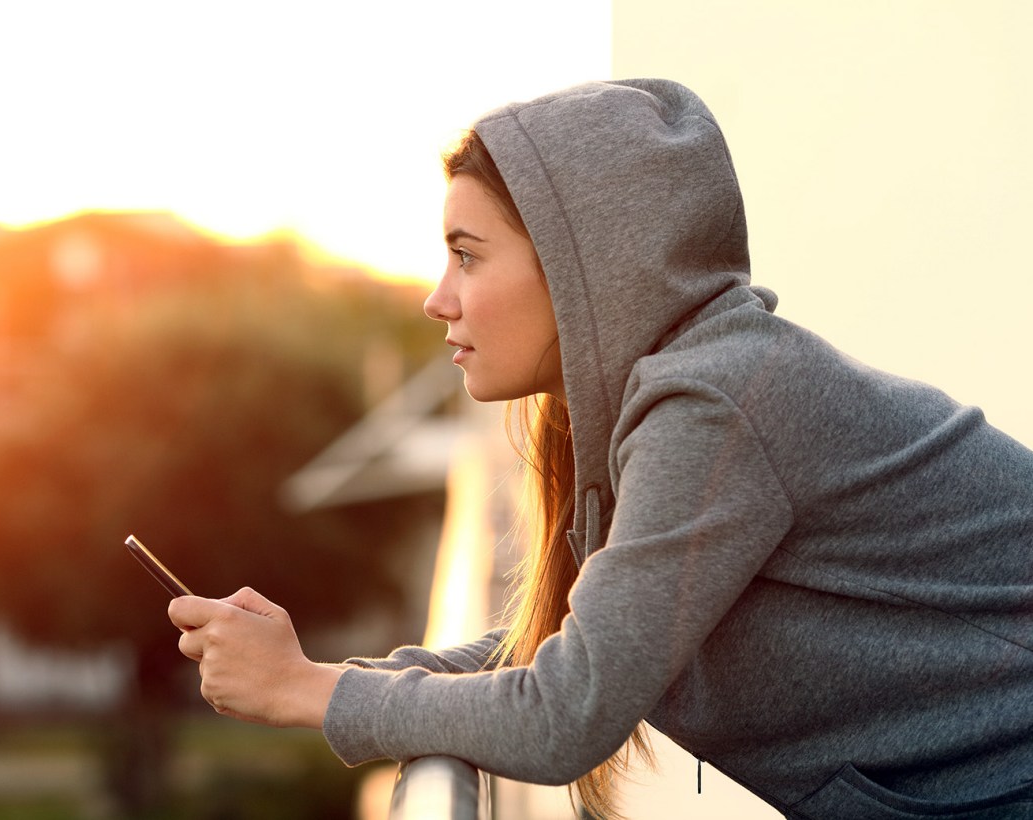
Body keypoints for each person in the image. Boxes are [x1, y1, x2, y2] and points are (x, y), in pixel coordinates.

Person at [168, 79, 1033, 818]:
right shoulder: (669, 396)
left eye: (467, 256)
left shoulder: (719, 403)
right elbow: (566, 648)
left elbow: (564, 712)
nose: (438, 299)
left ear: (585, 269)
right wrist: (328, 671)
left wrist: (304, 692)